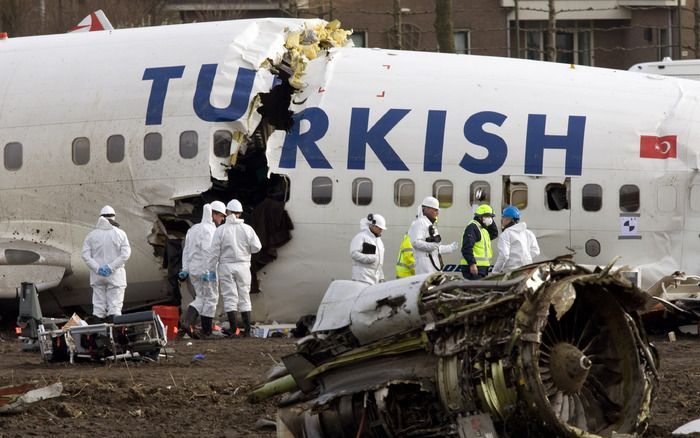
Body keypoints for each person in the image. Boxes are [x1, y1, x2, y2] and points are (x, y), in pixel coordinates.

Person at [207, 199, 262, 337]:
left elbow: (214, 252)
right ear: (240, 213)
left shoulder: (221, 230)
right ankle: (247, 331)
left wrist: (211, 270)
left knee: (229, 297)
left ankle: (233, 330)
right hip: (243, 266)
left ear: (227, 212)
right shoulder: (247, 229)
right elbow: (257, 247)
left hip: (225, 266)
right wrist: (245, 250)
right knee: (244, 296)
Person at [178, 201, 226, 338]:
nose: (222, 220)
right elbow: (207, 252)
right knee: (211, 298)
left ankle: (187, 323)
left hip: (193, 270)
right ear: (213, 214)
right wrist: (209, 271)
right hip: (206, 270)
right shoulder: (210, 230)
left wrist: (185, 269)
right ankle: (207, 331)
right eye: (221, 216)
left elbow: (186, 251)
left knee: (201, 298)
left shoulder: (192, 229)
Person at [81, 205, 131, 323]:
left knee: (98, 307)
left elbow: (85, 255)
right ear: (113, 218)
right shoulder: (120, 234)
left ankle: (98, 335)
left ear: (100, 217)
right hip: (115, 275)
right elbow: (125, 254)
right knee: (115, 306)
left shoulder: (91, 235)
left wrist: (98, 268)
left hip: (97, 276)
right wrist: (110, 267)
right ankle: (115, 334)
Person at [407, 196, 458, 275]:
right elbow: (415, 242)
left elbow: (435, 247)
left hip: (433, 266)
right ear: (426, 209)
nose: (437, 213)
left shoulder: (429, 224)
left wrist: (449, 248)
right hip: (425, 267)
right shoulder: (420, 223)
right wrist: (433, 246)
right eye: (435, 210)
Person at [492, 205, 540, 274]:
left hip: (512, 271)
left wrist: (496, 271)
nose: (502, 220)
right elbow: (536, 251)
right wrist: (523, 259)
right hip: (527, 269)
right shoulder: (528, 233)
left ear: (509, 219)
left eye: (503, 217)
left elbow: (504, 255)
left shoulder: (506, 234)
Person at [460, 204, 499, 279]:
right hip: (473, 268)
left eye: (491, 217)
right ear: (480, 217)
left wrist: (491, 221)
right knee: (474, 290)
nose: (490, 219)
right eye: (487, 216)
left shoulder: (483, 229)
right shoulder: (473, 227)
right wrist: (472, 264)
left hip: (481, 268)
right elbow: (466, 247)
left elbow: (494, 233)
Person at [350, 213, 387, 285]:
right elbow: (353, 253)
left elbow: (379, 262)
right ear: (372, 225)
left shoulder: (379, 241)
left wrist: (381, 277)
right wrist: (369, 258)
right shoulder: (361, 236)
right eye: (380, 228)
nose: (381, 230)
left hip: (374, 279)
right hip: (362, 278)